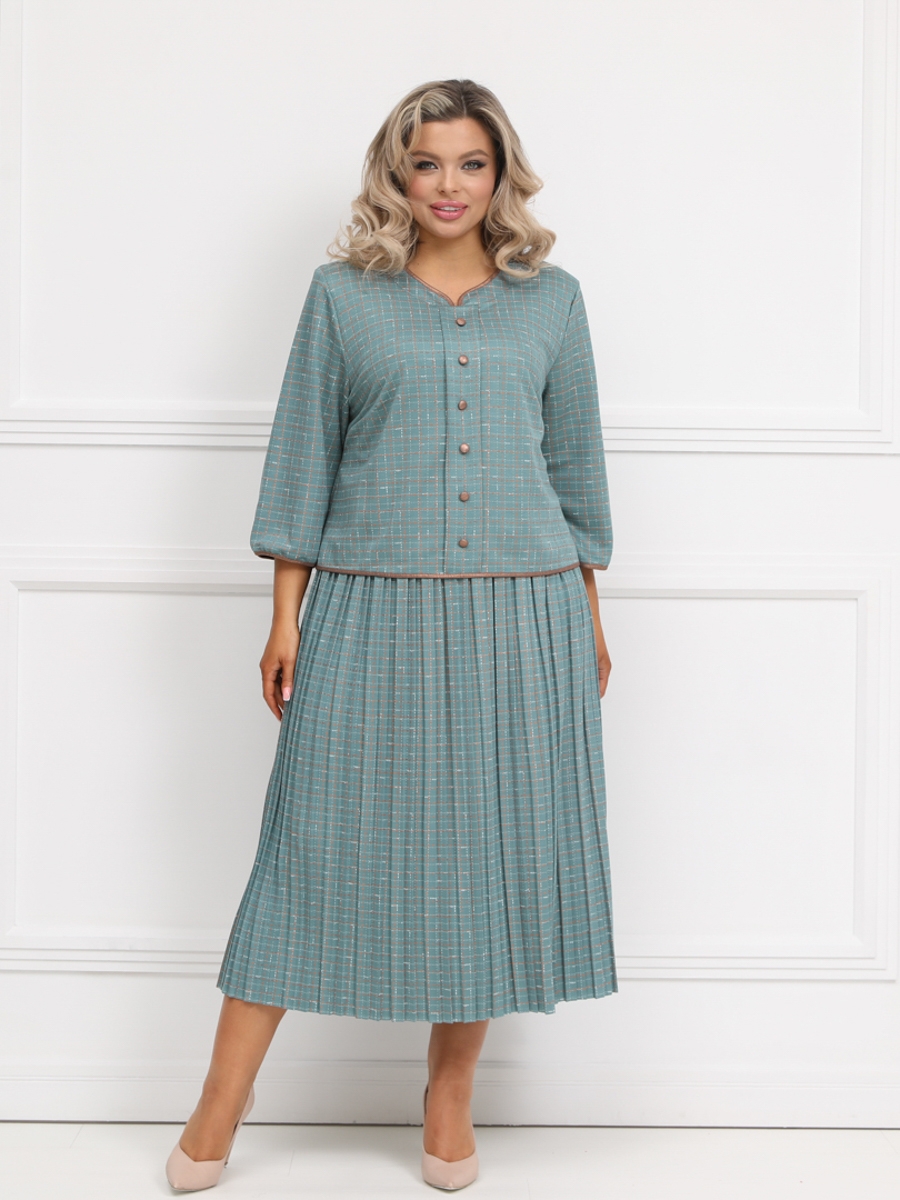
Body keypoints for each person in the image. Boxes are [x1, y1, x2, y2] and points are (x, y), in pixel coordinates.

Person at [165, 78, 616, 1194]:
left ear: (501, 174)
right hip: (368, 609)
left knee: (491, 856)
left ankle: (448, 1096)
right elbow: (301, 459)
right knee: (305, 852)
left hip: (526, 612)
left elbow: (575, 474)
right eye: (427, 163)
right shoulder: (342, 298)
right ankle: (223, 1096)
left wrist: (590, 621)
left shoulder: (554, 302)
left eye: (472, 163)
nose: (449, 185)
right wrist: (285, 615)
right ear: (396, 174)